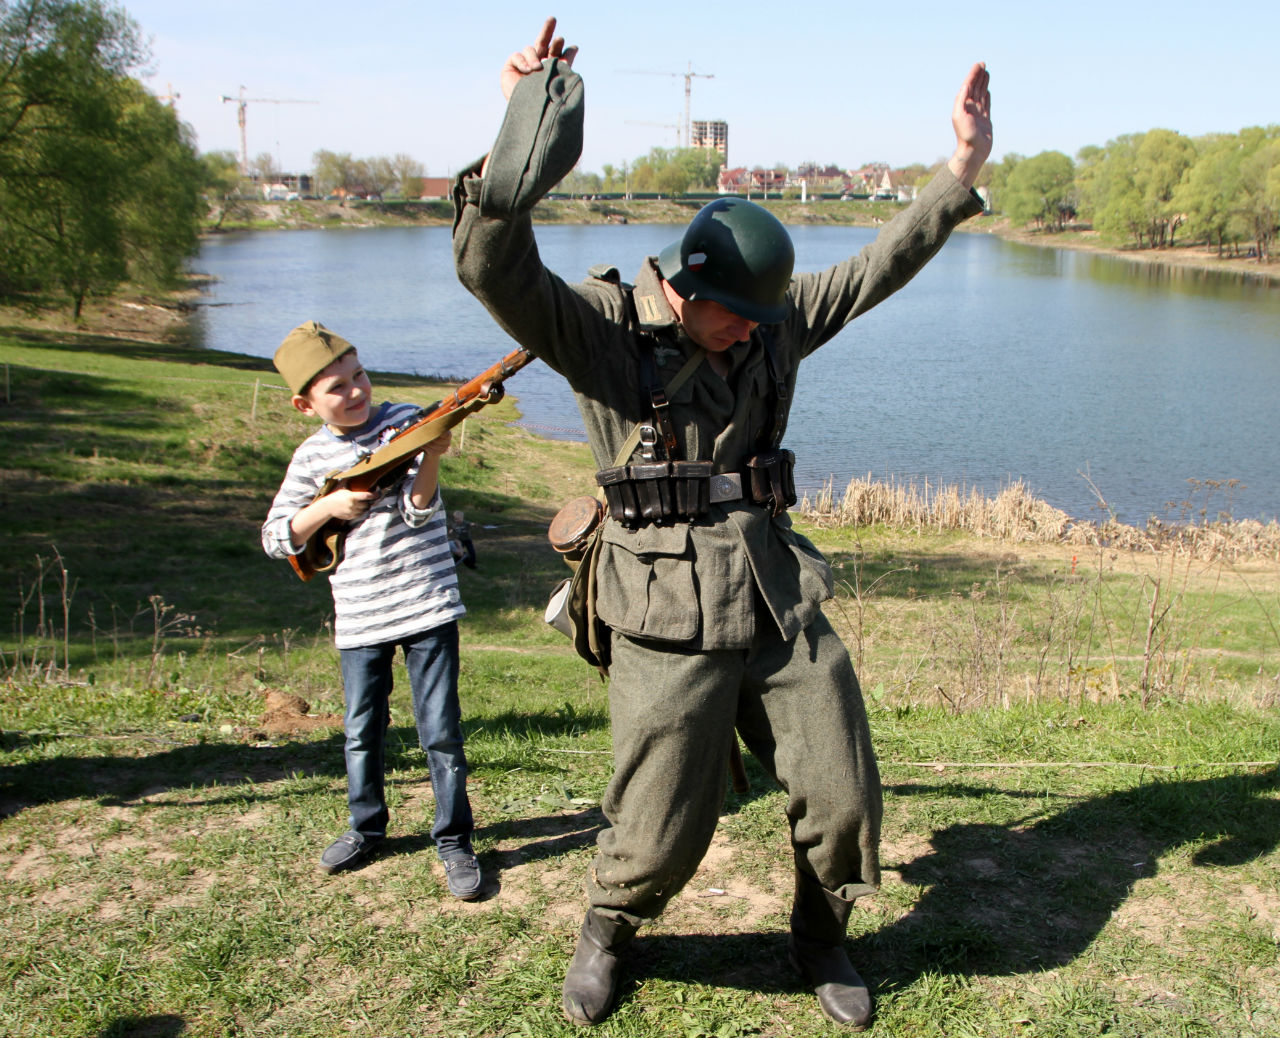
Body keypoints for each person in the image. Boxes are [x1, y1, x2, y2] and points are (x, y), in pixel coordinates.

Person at [452, 19, 992, 1026]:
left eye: (761, 314)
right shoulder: (604, 332)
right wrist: (512, 139)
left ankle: (818, 936)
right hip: (661, 605)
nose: (754, 329)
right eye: (734, 315)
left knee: (841, 796)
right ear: (681, 288)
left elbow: (874, 268)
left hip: (774, 590)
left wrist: (955, 175)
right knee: (659, 825)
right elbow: (495, 271)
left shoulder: (769, 320)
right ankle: (606, 929)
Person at [261, 320, 482, 899]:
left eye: (358, 374)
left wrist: (431, 455)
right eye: (336, 386)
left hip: (427, 599)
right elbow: (277, 537)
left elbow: (418, 512)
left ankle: (455, 839)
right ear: (305, 404)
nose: (356, 390)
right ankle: (367, 827)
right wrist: (329, 505)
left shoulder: (407, 421)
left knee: (441, 732)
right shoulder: (311, 458)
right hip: (361, 613)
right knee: (362, 730)